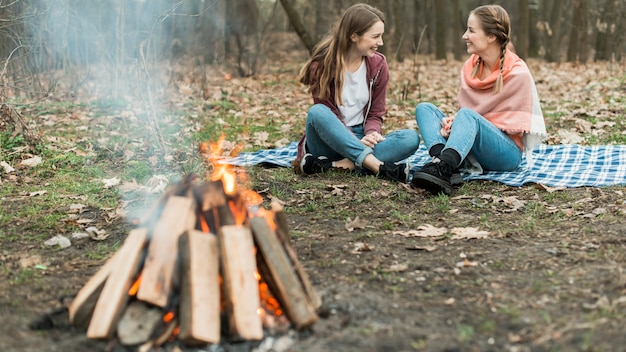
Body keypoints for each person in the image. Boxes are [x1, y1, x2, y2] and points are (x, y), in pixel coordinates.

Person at [411, 4, 546, 195]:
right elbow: (470, 117)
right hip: (472, 143)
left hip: (506, 153)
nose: (464, 36)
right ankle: (444, 164)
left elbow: (502, 123)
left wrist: (463, 122)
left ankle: (444, 166)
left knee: (467, 116)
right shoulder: (470, 66)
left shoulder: (517, 72)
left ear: (491, 37)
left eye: (471, 30)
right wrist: (454, 124)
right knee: (424, 108)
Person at [294, 3, 420, 183]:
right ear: (354, 36)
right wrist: (354, 142)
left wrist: (371, 133)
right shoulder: (322, 66)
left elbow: (375, 114)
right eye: (375, 36)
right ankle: (378, 167)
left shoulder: (378, 66)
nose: (381, 42)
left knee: (410, 138)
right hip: (327, 141)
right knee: (317, 112)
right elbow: (325, 117)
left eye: (381, 36)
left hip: (361, 136)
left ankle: (333, 166)